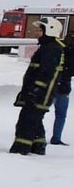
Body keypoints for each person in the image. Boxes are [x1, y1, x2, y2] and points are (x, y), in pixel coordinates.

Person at [10, 17, 67, 155]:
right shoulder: (48, 47)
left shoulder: (52, 49)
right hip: (37, 94)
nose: (36, 33)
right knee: (36, 121)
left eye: (40, 30)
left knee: (26, 122)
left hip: (40, 95)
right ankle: (38, 147)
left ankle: (20, 150)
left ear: (49, 31)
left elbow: (46, 73)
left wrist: (36, 90)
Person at [50, 34, 74, 145]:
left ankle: (34, 134)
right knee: (61, 114)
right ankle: (56, 137)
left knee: (41, 110)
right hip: (64, 85)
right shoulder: (70, 51)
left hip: (54, 82)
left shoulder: (57, 48)